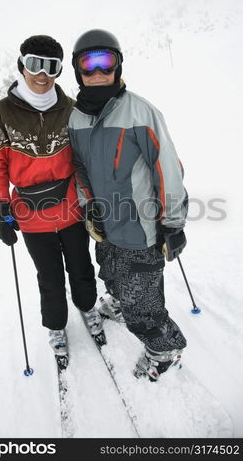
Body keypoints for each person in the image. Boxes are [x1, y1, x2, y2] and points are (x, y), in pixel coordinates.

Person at [68, 29, 188, 381]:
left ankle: (164, 348)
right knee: (110, 275)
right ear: (78, 71)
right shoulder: (76, 119)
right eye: (87, 64)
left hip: (142, 229)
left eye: (105, 61)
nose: (97, 72)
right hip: (107, 226)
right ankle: (119, 301)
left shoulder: (141, 112)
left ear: (118, 64)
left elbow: (169, 169)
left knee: (144, 306)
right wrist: (89, 206)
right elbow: (79, 167)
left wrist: (174, 223)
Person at [0, 35, 104, 370]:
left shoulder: (70, 108)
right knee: (49, 277)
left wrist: (92, 198)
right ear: (22, 65)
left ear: (59, 71)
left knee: (81, 268)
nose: (42, 74)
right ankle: (56, 327)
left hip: (71, 208)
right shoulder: (0, 113)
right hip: (31, 214)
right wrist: (0, 204)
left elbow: (83, 156)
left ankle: (89, 308)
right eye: (35, 64)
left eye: (52, 67)